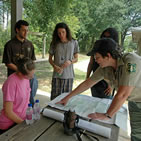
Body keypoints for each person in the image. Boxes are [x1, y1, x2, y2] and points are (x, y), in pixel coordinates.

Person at [57, 38, 141, 141]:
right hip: (134, 101)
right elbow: (88, 83)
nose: (95, 61)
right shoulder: (105, 67)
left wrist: (107, 115)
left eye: (97, 57)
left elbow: (123, 94)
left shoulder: (131, 61)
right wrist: (68, 97)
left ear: (108, 56)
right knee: (136, 134)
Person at [2, 20, 38, 105]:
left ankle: (30, 108)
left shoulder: (30, 44)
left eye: (27, 30)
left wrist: (28, 72)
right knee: (17, 99)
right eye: (23, 30)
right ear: (17, 30)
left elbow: (32, 60)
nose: (26, 32)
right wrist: (22, 71)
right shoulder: (9, 45)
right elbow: (8, 63)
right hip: (15, 75)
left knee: (31, 91)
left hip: (28, 75)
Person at [0, 57, 35, 133]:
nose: (32, 77)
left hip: (21, 119)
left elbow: (26, 101)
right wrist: (24, 124)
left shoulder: (26, 79)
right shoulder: (11, 83)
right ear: (20, 73)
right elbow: (8, 112)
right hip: (9, 125)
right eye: (29, 76)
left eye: (33, 74)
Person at [49, 22, 79, 100]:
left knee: (66, 99)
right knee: (54, 99)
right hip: (57, 75)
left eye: (63, 32)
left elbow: (76, 59)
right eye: (59, 33)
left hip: (68, 76)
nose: (61, 35)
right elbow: (50, 59)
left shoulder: (74, 42)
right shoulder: (54, 43)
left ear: (67, 32)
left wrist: (70, 61)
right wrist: (54, 66)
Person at [86, 28, 119, 98]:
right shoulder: (98, 47)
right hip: (96, 81)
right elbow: (90, 63)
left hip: (106, 85)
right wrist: (87, 77)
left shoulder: (116, 54)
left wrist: (111, 85)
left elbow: (122, 95)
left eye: (109, 37)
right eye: (104, 36)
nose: (106, 39)